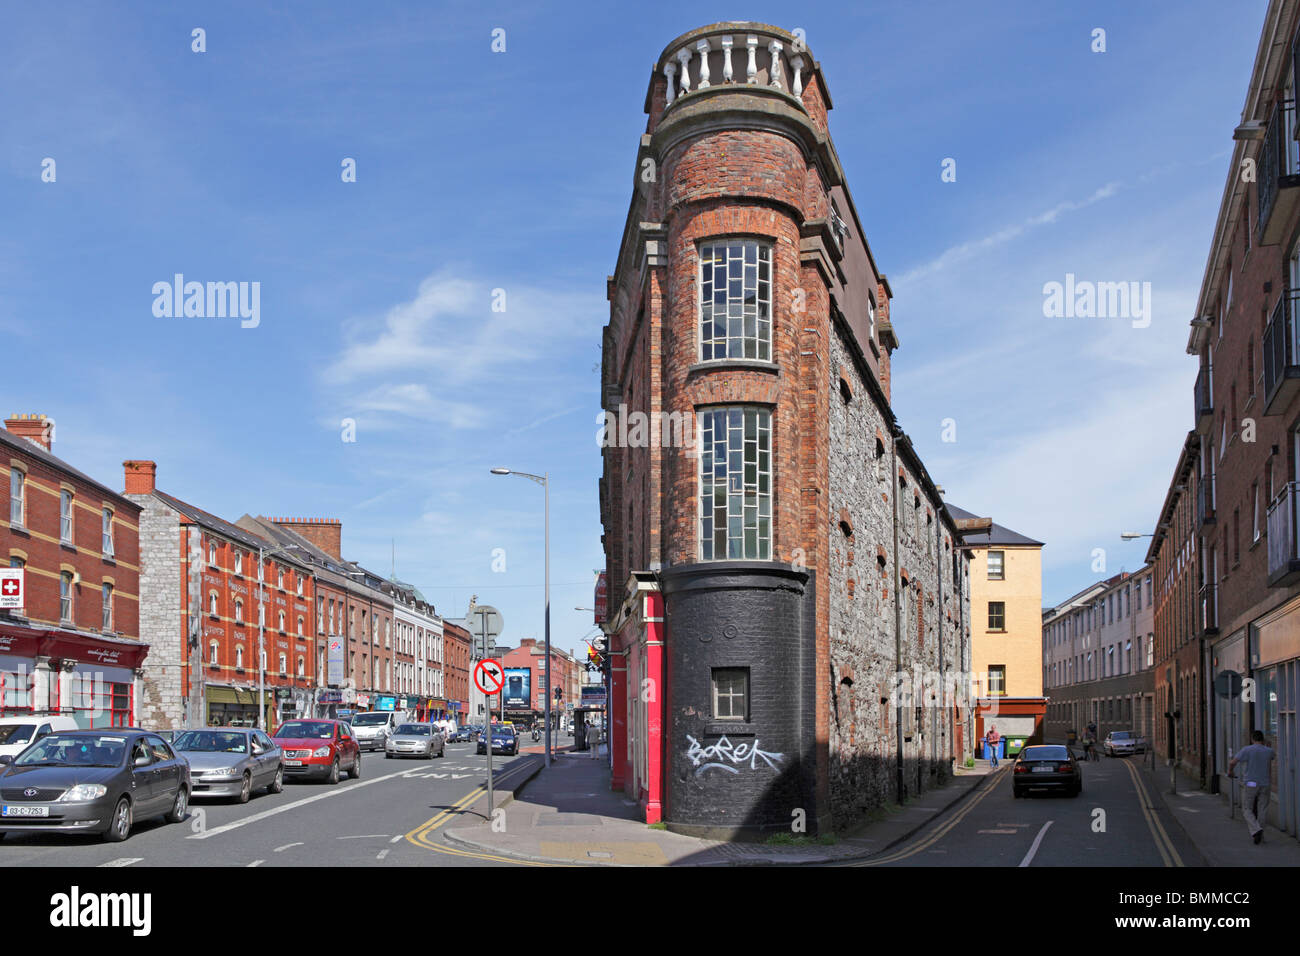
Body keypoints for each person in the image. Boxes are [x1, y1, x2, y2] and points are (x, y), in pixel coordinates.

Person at [1228, 730, 1276, 844]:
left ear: (1252, 739)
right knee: (1262, 809)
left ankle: (1256, 829)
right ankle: (1261, 835)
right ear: (1262, 739)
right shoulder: (1269, 751)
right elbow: (1272, 757)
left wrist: (1230, 772)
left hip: (1251, 783)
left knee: (1247, 809)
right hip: (1265, 783)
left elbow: (1232, 762)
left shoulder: (1247, 749)